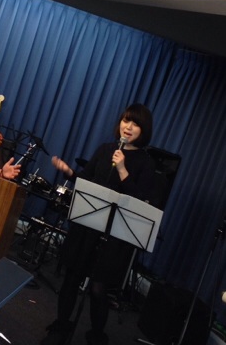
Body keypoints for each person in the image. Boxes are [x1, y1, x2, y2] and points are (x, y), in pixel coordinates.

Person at [41, 103, 159, 345]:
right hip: (87, 226)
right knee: (71, 278)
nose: (128, 127)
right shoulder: (105, 149)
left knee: (98, 288)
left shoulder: (146, 163)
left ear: (144, 130)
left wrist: (123, 169)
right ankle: (61, 326)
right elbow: (86, 182)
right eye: (126, 120)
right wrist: (70, 173)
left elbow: (139, 202)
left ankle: (96, 334)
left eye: (135, 124)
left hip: (114, 236)